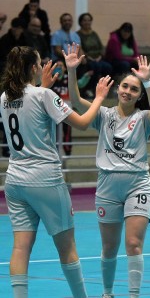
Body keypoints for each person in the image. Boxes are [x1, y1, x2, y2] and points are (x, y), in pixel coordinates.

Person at [0, 44, 113, 297]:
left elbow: (29, 106)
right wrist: (99, 98)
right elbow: (83, 123)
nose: (42, 67)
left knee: (20, 248)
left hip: (15, 179)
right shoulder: (43, 96)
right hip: (44, 179)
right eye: (39, 64)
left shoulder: (5, 98)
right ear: (33, 68)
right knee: (67, 248)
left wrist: (43, 88)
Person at [67, 50, 150, 297]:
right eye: (124, 86)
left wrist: (148, 81)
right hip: (107, 185)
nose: (127, 91)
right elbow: (76, 102)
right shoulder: (104, 114)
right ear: (116, 88)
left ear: (139, 96)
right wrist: (71, 69)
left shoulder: (143, 119)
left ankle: (133, 295)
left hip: (137, 185)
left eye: (133, 89)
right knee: (109, 248)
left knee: (133, 244)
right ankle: (107, 293)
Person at [51, 59, 93, 155]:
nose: (59, 67)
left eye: (61, 65)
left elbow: (80, 84)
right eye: (57, 65)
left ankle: (67, 151)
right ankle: (53, 153)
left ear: (65, 68)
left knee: (67, 133)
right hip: (52, 113)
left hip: (66, 112)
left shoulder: (69, 79)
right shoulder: (50, 80)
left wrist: (86, 77)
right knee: (53, 133)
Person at [0, 17, 28, 157]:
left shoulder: (24, 39)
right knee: (8, 116)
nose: (18, 31)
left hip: (19, 85)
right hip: (6, 83)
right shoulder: (5, 40)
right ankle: (6, 147)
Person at [77, 12, 113, 98]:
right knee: (95, 67)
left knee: (108, 67)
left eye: (89, 20)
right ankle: (91, 89)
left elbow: (101, 47)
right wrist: (89, 57)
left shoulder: (94, 34)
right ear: (80, 22)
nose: (87, 22)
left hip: (98, 58)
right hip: (88, 59)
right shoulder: (78, 34)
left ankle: (105, 88)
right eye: (85, 20)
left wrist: (100, 56)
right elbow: (80, 49)